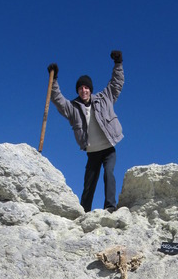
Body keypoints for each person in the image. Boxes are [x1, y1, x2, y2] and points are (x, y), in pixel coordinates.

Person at [47, 50, 124, 213]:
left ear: (90, 89)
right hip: (92, 151)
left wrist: (118, 64)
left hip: (108, 148)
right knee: (89, 184)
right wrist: (53, 80)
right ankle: (84, 211)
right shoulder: (72, 108)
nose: (84, 91)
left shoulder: (104, 98)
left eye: (86, 87)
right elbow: (57, 99)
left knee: (108, 173)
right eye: (81, 88)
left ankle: (110, 206)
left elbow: (116, 83)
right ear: (78, 91)